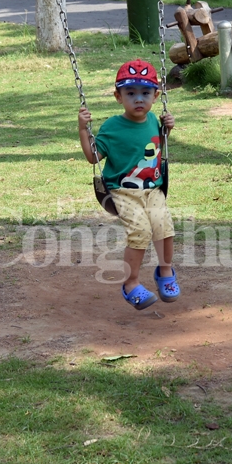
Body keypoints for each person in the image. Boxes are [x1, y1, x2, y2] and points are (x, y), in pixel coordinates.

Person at [78, 60, 178, 311]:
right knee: (141, 231)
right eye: (130, 93)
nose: (138, 99)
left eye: (145, 93)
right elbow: (93, 157)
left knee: (163, 226)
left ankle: (165, 271)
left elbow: (155, 151)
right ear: (118, 97)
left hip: (153, 188)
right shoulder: (112, 127)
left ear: (156, 96)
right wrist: (82, 129)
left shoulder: (154, 119)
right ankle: (131, 283)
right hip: (122, 192)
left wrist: (167, 131)